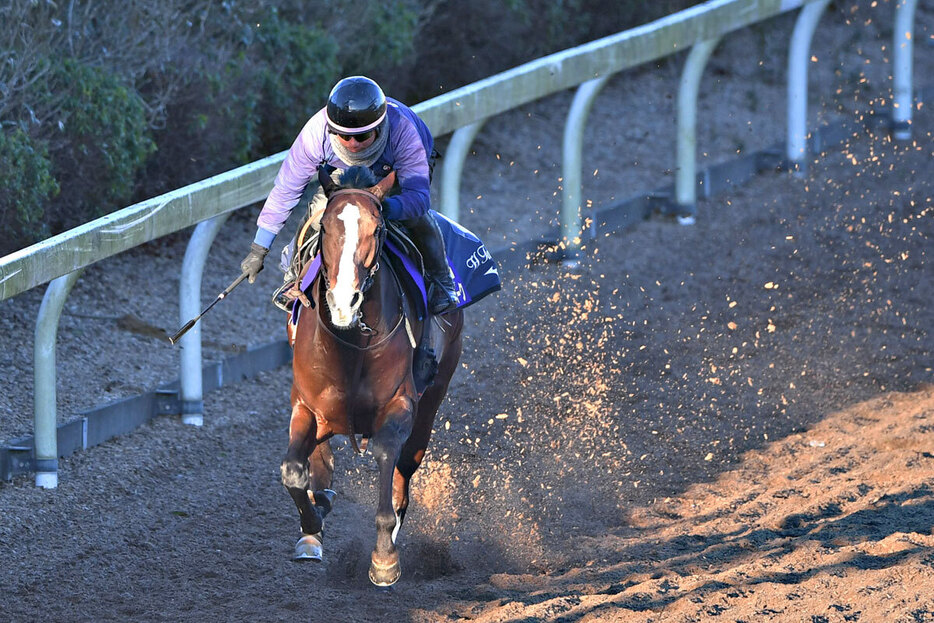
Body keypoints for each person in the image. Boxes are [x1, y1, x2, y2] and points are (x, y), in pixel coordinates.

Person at [239, 75, 458, 315]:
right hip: (343, 171)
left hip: (395, 170)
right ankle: (293, 279)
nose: (353, 144)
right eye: (344, 136)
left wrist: (383, 208)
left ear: (378, 128)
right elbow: (286, 191)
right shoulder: (316, 132)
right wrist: (259, 249)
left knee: (416, 217)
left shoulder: (402, 130)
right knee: (319, 210)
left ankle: (442, 282)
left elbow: (418, 197)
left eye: (362, 137)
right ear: (332, 129)